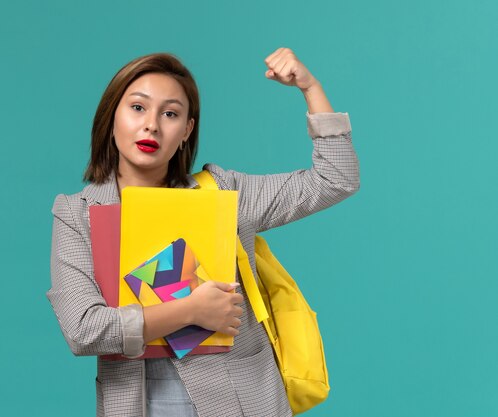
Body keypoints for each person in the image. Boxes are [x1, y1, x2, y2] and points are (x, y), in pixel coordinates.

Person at [46, 47, 360, 417]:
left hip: (243, 401)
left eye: (170, 114)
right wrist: (191, 310)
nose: (151, 125)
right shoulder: (77, 213)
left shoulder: (222, 193)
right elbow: (84, 330)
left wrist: (311, 88)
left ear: (186, 130)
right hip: (139, 403)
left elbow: (336, 178)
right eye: (137, 108)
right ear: (111, 116)